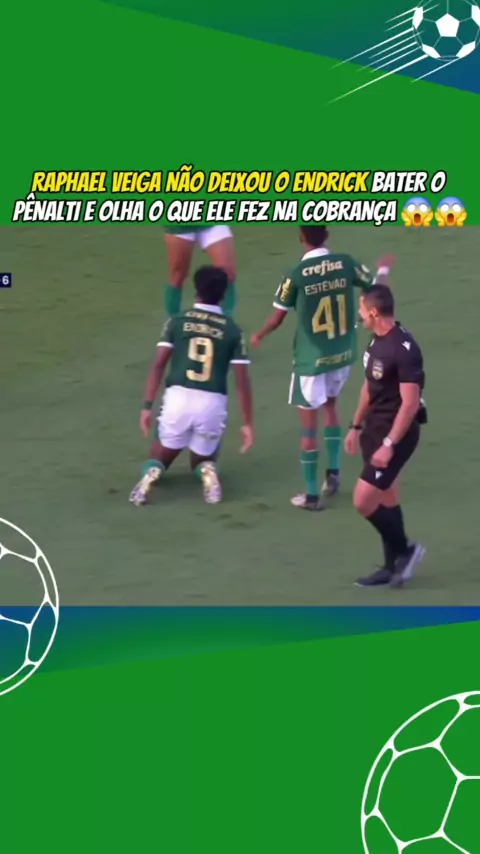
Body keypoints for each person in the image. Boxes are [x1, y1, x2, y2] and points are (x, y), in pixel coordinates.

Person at [250, 225, 392, 510]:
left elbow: (277, 317)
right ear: (326, 235)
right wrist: (384, 270)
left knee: (308, 430)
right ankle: (334, 473)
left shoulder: (295, 274)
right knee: (331, 408)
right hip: (341, 355)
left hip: (310, 362)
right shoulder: (345, 263)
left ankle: (312, 495)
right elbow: (376, 290)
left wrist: (258, 335)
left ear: (301, 238)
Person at [130, 265, 252, 507]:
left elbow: (158, 365)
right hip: (212, 402)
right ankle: (207, 471)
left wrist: (146, 406)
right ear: (224, 294)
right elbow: (242, 382)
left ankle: (153, 472)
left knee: (158, 456)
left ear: (196, 290)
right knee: (203, 458)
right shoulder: (233, 330)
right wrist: (248, 423)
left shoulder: (177, 321)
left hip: (178, 398)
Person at [344, 284, 427, 587]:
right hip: (374, 429)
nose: (359, 314)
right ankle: (393, 568)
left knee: (363, 500)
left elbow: (410, 403)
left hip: (397, 434)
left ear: (373, 312)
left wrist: (389, 445)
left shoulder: (404, 349)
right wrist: (355, 426)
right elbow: (369, 387)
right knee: (387, 495)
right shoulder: (375, 342)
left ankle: (406, 551)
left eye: (361, 309)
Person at [163, 226, 237, 318]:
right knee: (178, 275)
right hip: (180, 225)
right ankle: (172, 321)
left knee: (227, 273)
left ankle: (227, 321)